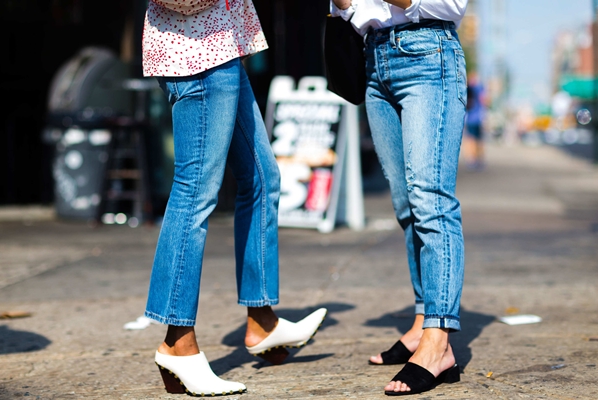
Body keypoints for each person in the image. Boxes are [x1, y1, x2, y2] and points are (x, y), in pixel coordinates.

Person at [142, 0, 327, 396]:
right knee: (194, 194)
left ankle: (263, 321)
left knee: (263, 178)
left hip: (223, 49)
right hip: (195, 54)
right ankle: (178, 343)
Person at [329, 0, 468, 396]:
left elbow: (449, 4)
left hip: (428, 54)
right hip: (375, 60)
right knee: (407, 207)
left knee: (432, 202)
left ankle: (438, 341)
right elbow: (350, 13)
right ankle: (423, 318)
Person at [464, 71, 486, 170]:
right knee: (479, 140)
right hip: (479, 118)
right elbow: (484, 100)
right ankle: (479, 160)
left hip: (470, 118)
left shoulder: (469, 88)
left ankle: (472, 160)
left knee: (470, 139)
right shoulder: (480, 88)